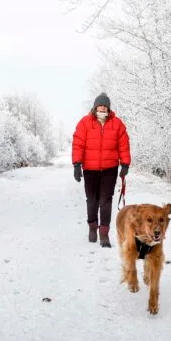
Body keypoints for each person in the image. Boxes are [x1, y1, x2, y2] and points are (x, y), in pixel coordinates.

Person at [71, 92, 130, 248]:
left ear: (108, 108)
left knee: (105, 200)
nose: (102, 108)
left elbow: (124, 145)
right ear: (95, 107)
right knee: (92, 200)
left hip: (110, 169)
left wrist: (125, 164)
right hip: (90, 169)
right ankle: (92, 227)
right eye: (100, 105)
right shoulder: (84, 123)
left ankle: (103, 233)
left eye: (105, 106)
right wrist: (77, 165)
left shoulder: (117, 124)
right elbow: (78, 144)